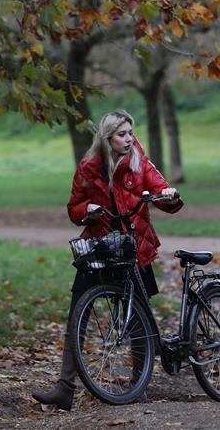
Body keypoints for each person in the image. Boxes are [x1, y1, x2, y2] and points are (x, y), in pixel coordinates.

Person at [32, 110, 183, 410]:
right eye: (121, 134)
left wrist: (168, 195)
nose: (128, 139)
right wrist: (88, 208)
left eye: (130, 132)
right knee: (78, 315)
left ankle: (139, 384)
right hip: (99, 247)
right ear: (107, 137)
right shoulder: (89, 167)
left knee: (139, 318)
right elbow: (74, 209)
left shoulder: (138, 159)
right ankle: (65, 388)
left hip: (132, 247)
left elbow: (161, 191)